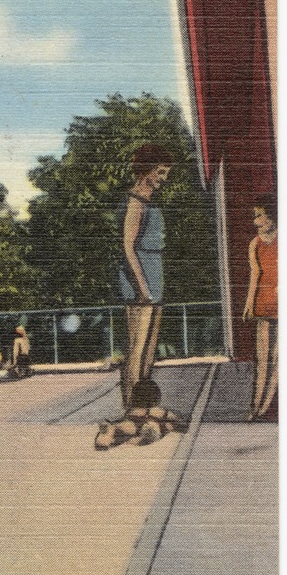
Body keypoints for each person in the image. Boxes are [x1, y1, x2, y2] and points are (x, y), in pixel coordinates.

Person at [119, 143, 175, 406]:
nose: (164, 178)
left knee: (148, 351)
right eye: (161, 172)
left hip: (154, 276)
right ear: (147, 169)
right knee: (138, 350)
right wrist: (143, 288)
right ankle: (132, 407)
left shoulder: (148, 201)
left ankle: (140, 406)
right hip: (140, 281)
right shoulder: (135, 201)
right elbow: (128, 247)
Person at [243, 194, 278, 421]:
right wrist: (249, 304)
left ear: (272, 216)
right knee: (261, 359)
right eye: (254, 216)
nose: (255, 221)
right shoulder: (254, 244)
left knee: (278, 359)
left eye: (259, 216)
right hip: (263, 303)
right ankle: (254, 406)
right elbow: (254, 275)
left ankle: (264, 407)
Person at [95, 379, 188, 450]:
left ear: (135, 397)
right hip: (157, 424)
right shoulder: (162, 411)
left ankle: (107, 435)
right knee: (169, 425)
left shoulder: (134, 411)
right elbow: (179, 422)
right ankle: (147, 435)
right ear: (157, 396)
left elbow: (124, 419)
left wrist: (113, 425)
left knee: (118, 427)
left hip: (135, 424)